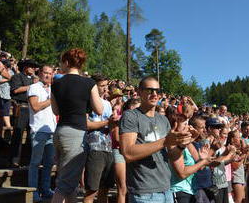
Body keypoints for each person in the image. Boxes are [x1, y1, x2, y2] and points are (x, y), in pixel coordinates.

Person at [119, 76, 192, 203]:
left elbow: (171, 155)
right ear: (140, 92)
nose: (154, 94)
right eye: (149, 90)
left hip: (166, 189)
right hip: (144, 192)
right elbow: (128, 153)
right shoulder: (130, 116)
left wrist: (182, 145)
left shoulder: (163, 120)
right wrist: (165, 141)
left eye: (157, 91)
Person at [51, 48, 103, 203]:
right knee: (65, 184)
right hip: (75, 135)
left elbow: (55, 110)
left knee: (69, 182)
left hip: (60, 132)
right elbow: (99, 110)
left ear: (67, 62)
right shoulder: (89, 83)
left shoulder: (56, 83)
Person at [84, 74, 115, 203]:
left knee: (105, 190)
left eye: (106, 85)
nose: (105, 88)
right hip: (93, 148)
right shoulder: (87, 101)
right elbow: (86, 124)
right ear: (93, 87)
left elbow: (110, 126)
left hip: (108, 147)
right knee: (91, 191)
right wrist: (107, 122)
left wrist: (114, 123)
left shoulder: (107, 104)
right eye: (102, 86)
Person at [27, 65, 56, 202]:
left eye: (50, 73)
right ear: (40, 73)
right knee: (35, 163)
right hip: (38, 130)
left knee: (49, 163)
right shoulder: (34, 87)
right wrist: (51, 100)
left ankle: (45, 189)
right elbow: (35, 106)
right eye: (45, 73)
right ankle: (33, 192)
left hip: (52, 130)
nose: (48, 75)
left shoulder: (52, 89)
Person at [9, 59, 37, 166]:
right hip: (21, 107)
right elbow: (15, 90)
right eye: (31, 66)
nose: (34, 69)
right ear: (25, 67)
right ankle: (14, 159)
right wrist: (32, 86)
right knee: (18, 134)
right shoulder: (17, 76)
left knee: (31, 135)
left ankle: (27, 160)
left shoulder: (33, 79)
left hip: (32, 108)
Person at [0, 59, 13, 137]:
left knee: (6, 113)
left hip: (7, 96)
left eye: (8, 66)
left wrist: (7, 78)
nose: (8, 68)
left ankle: (9, 129)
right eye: (6, 66)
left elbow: (13, 78)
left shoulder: (10, 71)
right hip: (0, 96)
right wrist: (7, 79)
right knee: (0, 114)